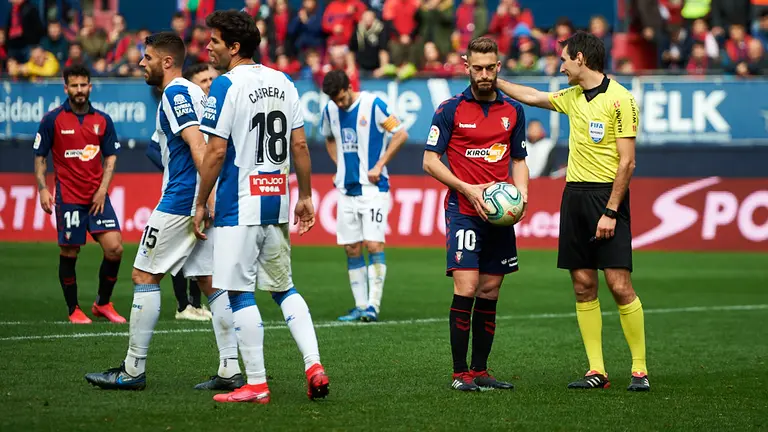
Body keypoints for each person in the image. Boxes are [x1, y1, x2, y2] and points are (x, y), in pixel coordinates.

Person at [84, 32, 244, 392]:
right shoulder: (195, 93)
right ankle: (230, 369)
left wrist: (203, 199)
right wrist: (213, 195)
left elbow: (198, 145)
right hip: (202, 197)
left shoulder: (175, 93)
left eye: (148, 57)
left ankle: (132, 369)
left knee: (143, 275)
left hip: (182, 201)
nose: (142, 63)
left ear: (167, 61)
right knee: (209, 281)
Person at [494, 31, 648, 391]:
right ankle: (598, 371)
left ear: (580, 58)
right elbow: (533, 96)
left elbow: (627, 163)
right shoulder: (573, 97)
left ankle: (639, 370)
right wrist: (494, 79)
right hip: (574, 197)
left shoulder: (621, 100)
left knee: (619, 284)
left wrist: (611, 210)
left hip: (606, 199)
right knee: (582, 284)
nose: (560, 66)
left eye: (564, 59)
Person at [193, 9, 329, 404]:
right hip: (276, 200)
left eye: (214, 41)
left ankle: (256, 384)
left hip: (240, 204)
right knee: (284, 288)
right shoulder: (283, 82)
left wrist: (201, 202)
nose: (208, 47)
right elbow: (300, 145)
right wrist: (304, 195)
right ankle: (313, 364)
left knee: (238, 293)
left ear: (233, 47)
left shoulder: (224, 85)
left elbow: (216, 152)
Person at [422, 37, 529, 392]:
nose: (484, 75)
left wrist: (522, 196)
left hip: (499, 216)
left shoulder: (513, 111)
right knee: (466, 286)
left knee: (491, 291)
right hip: (464, 210)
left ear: (499, 67)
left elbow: (518, 160)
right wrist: (466, 189)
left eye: (490, 68)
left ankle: (481, 371)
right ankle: (459, 373)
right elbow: (429, 161)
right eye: (478, 68)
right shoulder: (450, 109)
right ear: (467, 66)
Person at [33, 65, 126, 324]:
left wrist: (103, 190)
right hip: (69, 198)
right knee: (70, 251)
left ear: (90, 87)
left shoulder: (103, 120)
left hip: (97, 197)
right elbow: (40, 157)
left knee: (115, 249)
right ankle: (73, 308)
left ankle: (103, 303)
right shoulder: (52, 119)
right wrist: (42, 188)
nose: (79, 90)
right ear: (66, 88)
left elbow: (111, 157)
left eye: (83, 85)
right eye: (74, 86)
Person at [320, 70, 408, 323]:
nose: (339, 103)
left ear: (350, 86)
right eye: (334, 100)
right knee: (351, 247)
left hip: (373, 189)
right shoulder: (329, 110)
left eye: (341, 98)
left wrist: (379, 165)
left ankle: (373, 305)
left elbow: (400, 133)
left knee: (373, 244)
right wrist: (339, 166)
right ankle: (359, 306)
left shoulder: (373, 104)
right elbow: (328, 138)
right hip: (346, 190)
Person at [147, 62, 222, 322]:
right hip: (188, 190)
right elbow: (153, 148)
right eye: (203, 80)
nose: (209, 84)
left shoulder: (213, 109)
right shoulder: (180, 104)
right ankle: (183, 305)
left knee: (201, 259)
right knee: (176, 254)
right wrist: (174, 168)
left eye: (212, 79)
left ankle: (196, 304)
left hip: (206, 189)